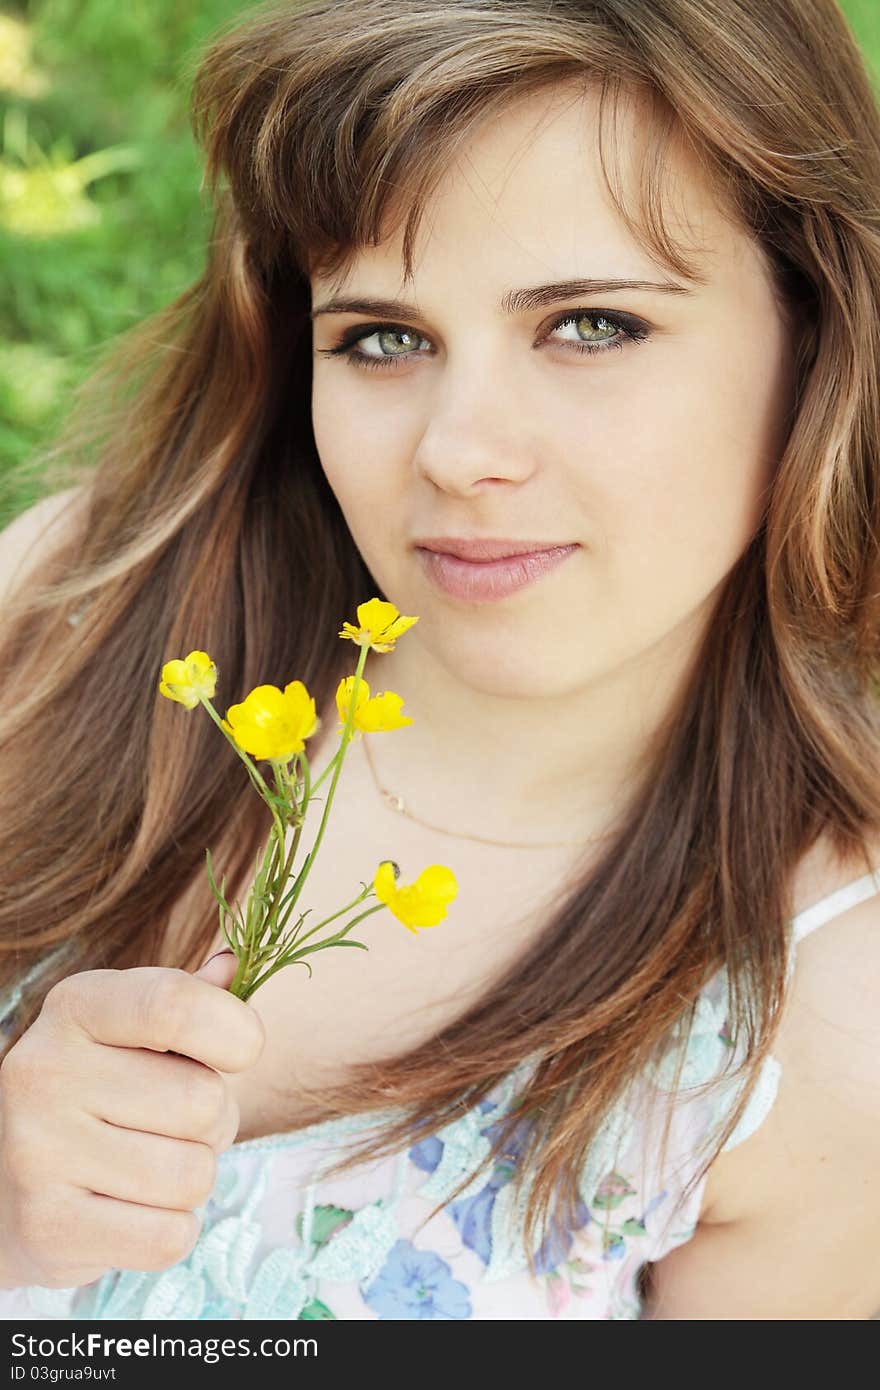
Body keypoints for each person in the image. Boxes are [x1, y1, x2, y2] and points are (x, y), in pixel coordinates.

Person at [0, 0, 878, 1322]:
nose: (460, 451)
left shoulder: (814, 1018)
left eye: (591, 324)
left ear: (814, 336)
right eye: (382, 338)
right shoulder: (67, 612)